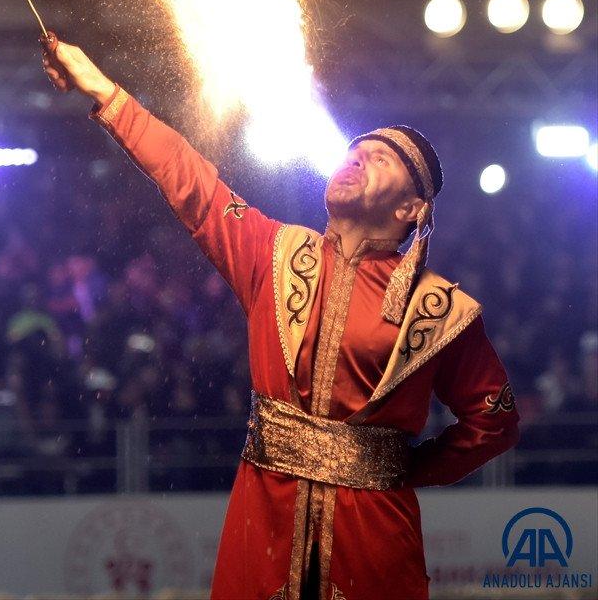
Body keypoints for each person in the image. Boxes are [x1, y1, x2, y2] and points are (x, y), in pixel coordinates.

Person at [41, 34, 520, 600]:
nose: (358, 156)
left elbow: (495, 421)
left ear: (411, 209)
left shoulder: (439, 309)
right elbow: (191, 180)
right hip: (263, 514)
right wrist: (105, 91)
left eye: (382, 157)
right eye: (356, 150)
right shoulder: (274, 254)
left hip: (373, 536)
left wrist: (406, 469)